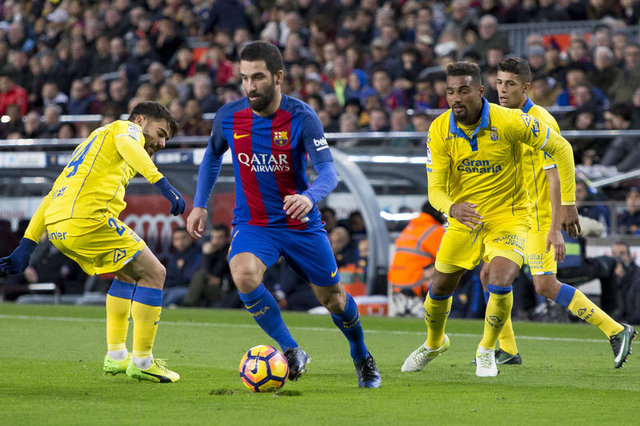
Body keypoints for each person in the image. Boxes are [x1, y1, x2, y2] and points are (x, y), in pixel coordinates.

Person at [186, 41, 380, 388]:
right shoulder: (229, 116)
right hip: (254, 223)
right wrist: (200, 203)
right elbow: (213, 155)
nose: (250, 86)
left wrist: (309, 197)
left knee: (334, 299)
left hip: (300, 224)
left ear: (278, 77)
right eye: (244, 78)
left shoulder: (302, 116)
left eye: (258, 77)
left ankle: (361, 354)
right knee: (243, 273)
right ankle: (291, 349)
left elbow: (328, 172)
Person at [401, 61, 582, 378]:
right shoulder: (439, 130)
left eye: (463, 91)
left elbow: (562, 148)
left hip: (508, 217)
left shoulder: (510, 121)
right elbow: (435, 190)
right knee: (440, 287)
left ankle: (486, 350)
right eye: (450, 92)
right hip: (465, 219)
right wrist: (452, 208)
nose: (456, 98)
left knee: (499, 279)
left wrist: (568, 204)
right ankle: (433, 343)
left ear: (480, 91)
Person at [0, 102, 186, 383]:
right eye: (160, 133)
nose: (161, 143)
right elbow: (129, 144)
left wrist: (27, 244)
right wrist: (162, 184)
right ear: (140, 120)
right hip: (89, 219)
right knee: (155, 273)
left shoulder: (92, 145)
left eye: (166, 140)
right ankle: (143, 361)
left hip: (60, 228)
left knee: (127, 274)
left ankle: (116, 355)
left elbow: (53, 194)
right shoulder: (125, 129)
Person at [476, 57, 635, 368]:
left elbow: (555, 174)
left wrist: (555, 227)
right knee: (488, 275)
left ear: (526, 88)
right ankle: (507, 348)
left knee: (545, 286)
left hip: (538, 219)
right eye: (499, 83)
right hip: (515, 217)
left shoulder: (541, 121)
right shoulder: (502, 118)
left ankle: (616, 330)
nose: (503, 90)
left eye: (510, 84)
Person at [388, 201, 445, 317]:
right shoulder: (434, 230)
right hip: (416, 282)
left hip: (395, 280)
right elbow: (447, 258)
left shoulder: (411, 227)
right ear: (437, 212)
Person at [182, 223, 240, 308]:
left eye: (220, 238)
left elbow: (235, 279)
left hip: (227, 291)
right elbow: (200, 272)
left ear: (227, 238)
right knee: (199, 277)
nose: (216, 241)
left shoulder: (231, 251)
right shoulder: (210, 250)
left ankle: (187, 306)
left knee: (198, 279)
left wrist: (220, 281)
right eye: (213, 237)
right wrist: (206, 255)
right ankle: (189, 306)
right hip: (209, 286)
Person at [162, 227, 202, 307]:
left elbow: (188, 278)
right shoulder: (173, 257)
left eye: (184, 238)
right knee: (161, 294)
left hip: (188, 289)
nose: (180, 242)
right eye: (177, 239)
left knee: (172, 296)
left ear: (190, 238)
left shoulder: (196, 255)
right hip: (171, 288)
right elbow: (168, 277)